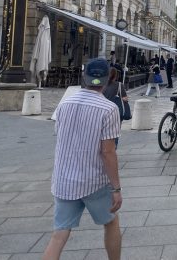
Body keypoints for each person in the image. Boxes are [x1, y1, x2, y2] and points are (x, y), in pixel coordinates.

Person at [43, 58, 122, 260]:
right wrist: (116, 188)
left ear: (84, 77)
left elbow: (60, 135)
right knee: (111, 222)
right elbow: (108, 152)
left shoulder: (64, 103)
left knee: (59, 234)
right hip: (93, 180)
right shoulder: (109, 108)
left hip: (64, 180)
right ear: (107, 79)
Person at [103, 67, 129, 147]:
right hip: (116, 111)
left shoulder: (102, 85)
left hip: (103, 110)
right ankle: (114, 147)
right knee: (115, 131)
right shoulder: (119, 85)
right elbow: (125, 98)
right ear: (116, 76)